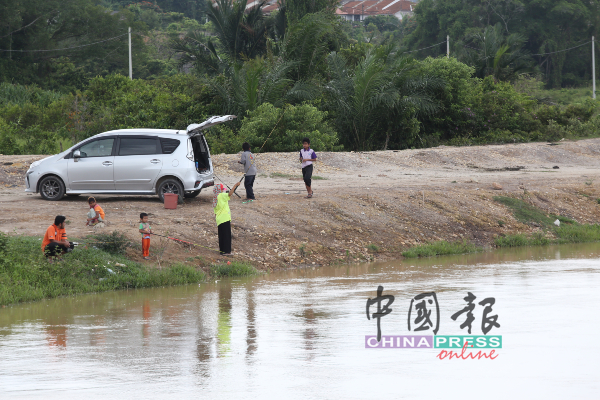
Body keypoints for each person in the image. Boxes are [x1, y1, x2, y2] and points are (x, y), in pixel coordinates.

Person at [213, 181, 241, 255]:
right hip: (225, 218)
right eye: (222, 189)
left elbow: (215, 213)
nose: (223, 190)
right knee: (227, 236)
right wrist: (235, 185)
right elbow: (230, 194)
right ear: (220, 190)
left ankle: (222, 251)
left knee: (221, 235)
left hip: (219, 220)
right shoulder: (221, 195)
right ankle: (227, 252)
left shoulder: (215, 198)